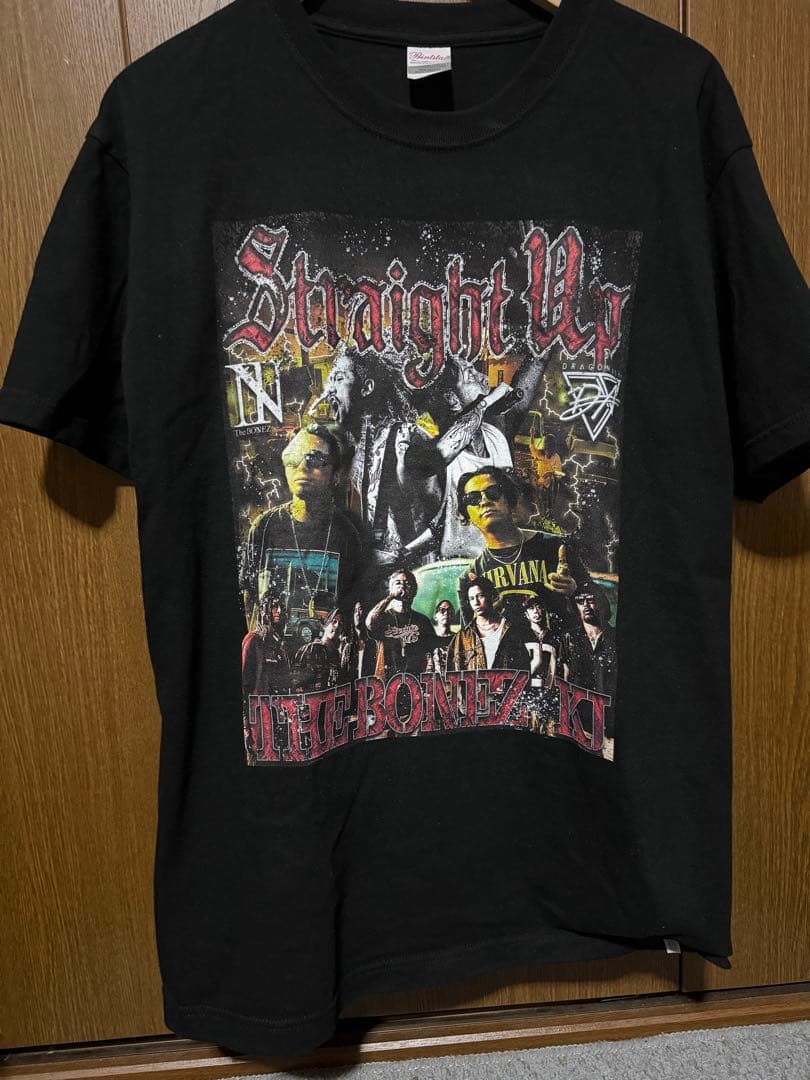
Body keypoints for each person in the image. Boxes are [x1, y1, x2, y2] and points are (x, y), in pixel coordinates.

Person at [239, 423, 365, 630]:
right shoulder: (264, 526)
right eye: (292, 459)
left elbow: (351, 607)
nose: (302, 467)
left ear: (335, 474)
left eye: (314, 459)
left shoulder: (346, 534)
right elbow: (247, 598)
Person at [455, 465, 603, 628]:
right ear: (467, 514)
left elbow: (605, 611)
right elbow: (469, 638)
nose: (484, 501)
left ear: (510, 500)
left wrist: (575, 591)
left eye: (493, 493)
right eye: (473, 499)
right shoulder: (470, 579)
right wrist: (483, 618)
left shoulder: (557, 548)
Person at [446, 575, 529, 673]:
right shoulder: (462, 637)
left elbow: (524, 669)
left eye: (480, 596)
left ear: (491, 596)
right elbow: (453, 674)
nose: (476, 602)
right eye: (471, 598)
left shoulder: (511, 629)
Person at [365, 569, 436, 677]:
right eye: (398, 583)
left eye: (407, 583)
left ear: (414, 590)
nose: (402, 586)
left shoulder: (423, 621)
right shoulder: (383, 618)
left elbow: (430, 651)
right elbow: (370, 623)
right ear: (390, 589)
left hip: (415, 681)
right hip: (387, 682)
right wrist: (391, 596)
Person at [241, 592, 291, 696]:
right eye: (274, 606)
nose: (279, 611)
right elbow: (245, 679)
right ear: (264, 610)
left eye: (281, 607)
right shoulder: (253, 639)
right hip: (259, 702)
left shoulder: (279, 642)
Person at [292, 608, 346, 693]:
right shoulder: (310, 649)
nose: (337, 626)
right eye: (334, 622)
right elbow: (297, 684)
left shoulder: (337, 656)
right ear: (325, 625)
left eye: (340, 624)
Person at [340, 599, 376, 682]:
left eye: (360, 609)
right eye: (355, 611)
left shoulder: (372, 643)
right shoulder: (346, 642)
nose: (357, 614)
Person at [427, 599, 456, 673]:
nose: (446, 613)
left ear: (452, 616)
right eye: (442, 610)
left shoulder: (458, 638)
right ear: (435, 616)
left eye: (449, 611)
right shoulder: (429, 639)